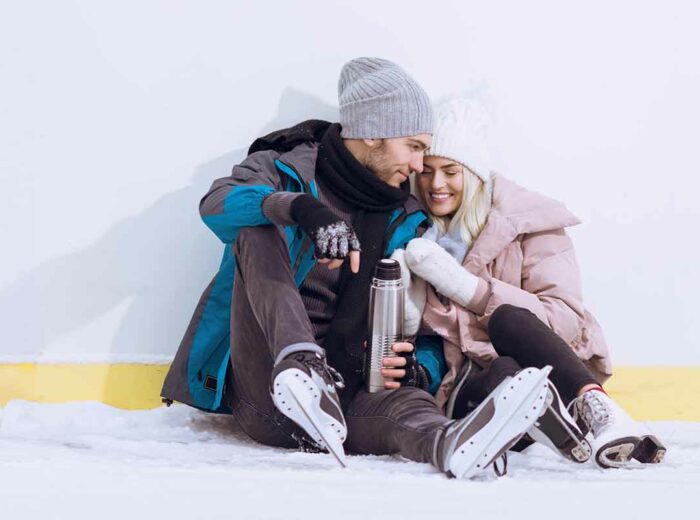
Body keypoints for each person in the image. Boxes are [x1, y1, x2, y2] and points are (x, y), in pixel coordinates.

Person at [161, 58, 552, 479]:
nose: (421, 167)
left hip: (351, 399)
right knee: (256, 228)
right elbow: (217, 205)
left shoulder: (410, 216)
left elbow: (429, 325)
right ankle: (302, 367)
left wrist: (418, 367)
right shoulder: (287, 170)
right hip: (270, 390)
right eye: (415, 147)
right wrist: (302, 209)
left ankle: (450, 443)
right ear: (371, 134)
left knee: (409, 405)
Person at [397, 98, 666, 468]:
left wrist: (472, 292)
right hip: (470, 390)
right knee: (506, 375)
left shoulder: (530, 222)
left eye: (450, 170)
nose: (435, 184)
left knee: (509, 319)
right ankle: (545, 418)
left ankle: (595, 407)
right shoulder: (413, 234)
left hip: (550, 367)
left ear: (474, 174)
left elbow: (565, 318)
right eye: (425, 171)